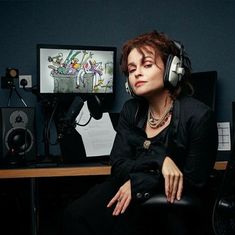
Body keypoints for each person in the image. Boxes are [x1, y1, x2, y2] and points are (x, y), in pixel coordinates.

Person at [62, 30, 218, 235]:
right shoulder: (131, 110)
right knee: (75, 215)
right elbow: (118, 166)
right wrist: (159, 160)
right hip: (126, 190)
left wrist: (138, 182)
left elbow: (194, 182)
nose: (136, 73)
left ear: (171, 69)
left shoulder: (199, 116)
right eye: (132, 68)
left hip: (169, 205)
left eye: (147, 65)